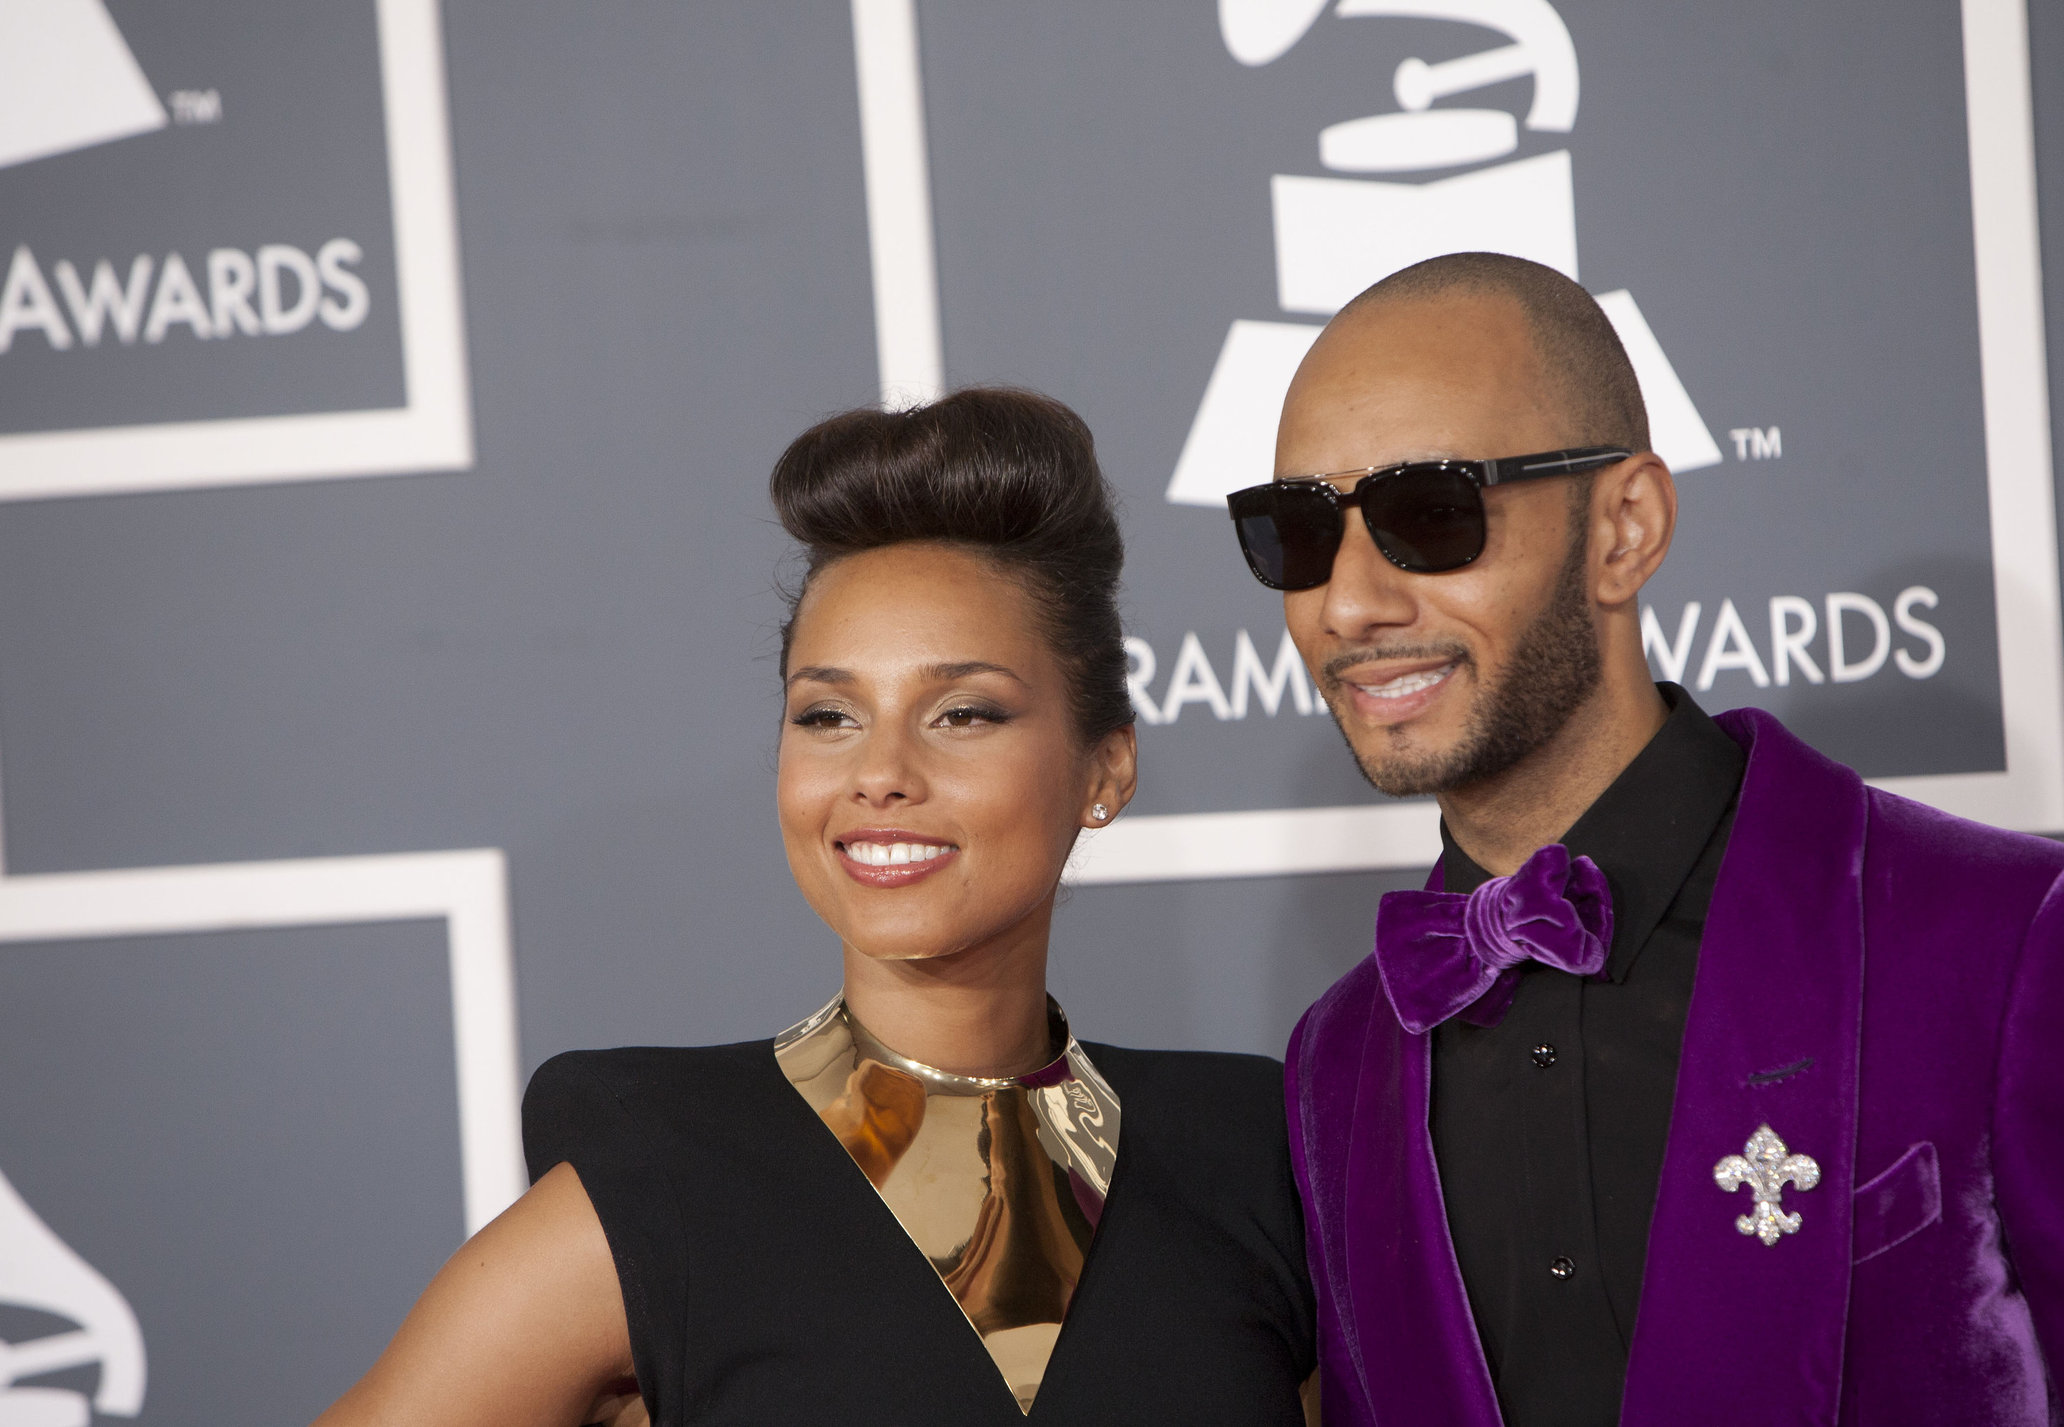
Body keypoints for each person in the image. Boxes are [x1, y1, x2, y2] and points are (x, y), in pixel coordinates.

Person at [1222, 251, 2064, 1425]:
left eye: (1428, 515)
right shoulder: (1335, 1060)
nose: (1348, 603)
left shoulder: (2012, 938)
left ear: (1624, 528)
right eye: (1296, 532)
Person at [314, 389, 1317, 1427]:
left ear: (1104, 769)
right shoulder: (664, 1180)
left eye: (962, 711)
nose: (879, 771)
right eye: (827, 714)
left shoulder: (1251, 1156)